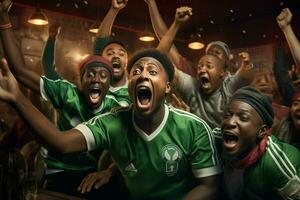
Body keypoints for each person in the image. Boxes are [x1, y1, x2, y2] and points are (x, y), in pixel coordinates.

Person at [0, 45, 222, 199]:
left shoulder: (193, 127)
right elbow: (62, 143)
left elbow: (210, 186)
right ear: (128, 86)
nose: (143, 74)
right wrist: (17, 98)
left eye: (152, 71)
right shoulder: (113, 122)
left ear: (167, 87)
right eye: (136, 71)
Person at [156, 4, 254, 134]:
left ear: (223, 69)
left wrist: (247, 64)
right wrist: (176, 23)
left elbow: (245, 77)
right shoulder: (192, 83)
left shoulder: (229, 86)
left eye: (216, 54)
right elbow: (160, 59)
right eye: (201, 65)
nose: (203, 69)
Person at [221, 86, 300, 200]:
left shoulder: (276, 162)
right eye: (227, 116)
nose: (230, 122)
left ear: (262, 131)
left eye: (243, 118)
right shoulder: (219, 139)